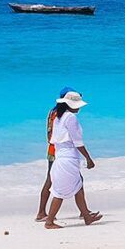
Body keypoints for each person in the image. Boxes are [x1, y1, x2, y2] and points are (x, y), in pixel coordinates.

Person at [44, 91, 102, 229]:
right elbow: (78, 142)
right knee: (60, 191)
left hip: (61, 157)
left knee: (78, 186)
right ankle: (49, 221)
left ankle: (86, 216)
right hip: (68, 158)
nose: (79, 108)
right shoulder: (70, 118)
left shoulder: (59, 116)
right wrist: (88, 158)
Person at [35, 86, 77, 222]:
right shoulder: (61, 114)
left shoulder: (53, 111)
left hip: (53, 149)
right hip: (59, 151)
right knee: (56, 179)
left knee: (53, 178)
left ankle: (84, 211)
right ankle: (41, 212)